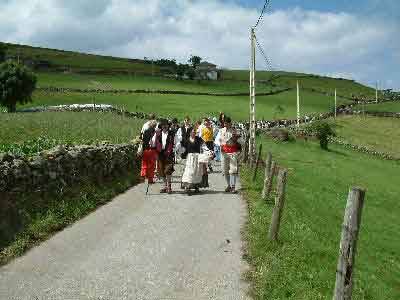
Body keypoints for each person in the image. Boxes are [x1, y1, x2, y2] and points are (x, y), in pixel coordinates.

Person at [181, 128, 213, 195]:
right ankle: (188, 188)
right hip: (190, 158)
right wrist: (182, 154)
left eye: (194, 132)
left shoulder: (199, 139)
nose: (194, 133)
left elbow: (204, 146)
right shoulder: (186, 140)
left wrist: (209, 152)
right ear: (189, 132)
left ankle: (196, 187)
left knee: (197, 172)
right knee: (189, 172)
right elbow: (184, 149)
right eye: (192, 132)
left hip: (198, 157)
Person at [219, 117, 241, 193]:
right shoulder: (221, 130)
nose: (225, 124)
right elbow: (219, 140)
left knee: (233, 170)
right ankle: (229, 185)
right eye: (224, 123)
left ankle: (233, 187)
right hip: (224, 152)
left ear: (229, 123)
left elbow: (239, 141)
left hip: (233, 152)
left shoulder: (234, 131)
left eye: (226, 123)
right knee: (225, 170)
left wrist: (235, 138)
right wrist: (221, 146)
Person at [156, 119, 175, 194]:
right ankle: (165, 186)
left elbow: (176, 143)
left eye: (166, 125)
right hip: (160, 153)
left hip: (169, 153)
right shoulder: (158, 134)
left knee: (168, 170)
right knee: (161, 170)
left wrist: (174, 149)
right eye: (163, 125)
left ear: (168, 126)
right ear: (161, 126)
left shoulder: (172, 134)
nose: (164, 126)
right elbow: (154, 143)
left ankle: (169, 186)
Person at [140, 120, 158, 184]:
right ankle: (150, 179)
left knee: (144, 163)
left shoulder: (145, 131)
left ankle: (143, 176)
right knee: (151, 165)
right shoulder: (154, 132)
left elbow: (142, 139)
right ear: (154, 126)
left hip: (145, 149)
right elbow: (155, 142)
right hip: (152, 150)